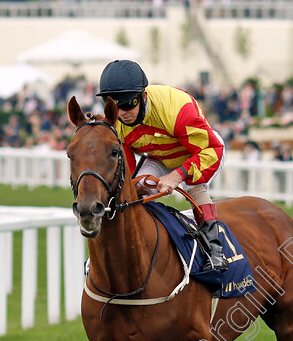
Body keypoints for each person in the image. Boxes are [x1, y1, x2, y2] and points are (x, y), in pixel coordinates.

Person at [96, 60, 228, 271]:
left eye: (129, 104)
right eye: (115, 105)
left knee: (194, 188)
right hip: (160, 156)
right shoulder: (118, 123)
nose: (122, 113)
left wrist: (177, 176)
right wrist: (132, 187)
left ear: (143, 97)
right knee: (133, 190)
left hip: (199, 152)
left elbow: (211, 151)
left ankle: (214, 252)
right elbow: (127, 171)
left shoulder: (177, 109)